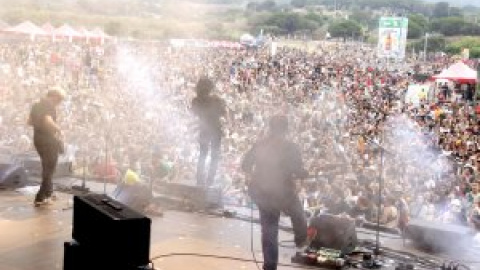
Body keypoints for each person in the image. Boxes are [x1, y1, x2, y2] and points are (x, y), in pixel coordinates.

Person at [242, 115, 308, 270]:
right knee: (298, 215)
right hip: (283, 192)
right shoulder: (291, 147)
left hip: (263, 193)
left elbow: (245, 165)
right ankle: (301, 242)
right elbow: (297, 170)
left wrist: (252, 177)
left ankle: (269, 267)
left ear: (270, 128)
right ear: (286, 129)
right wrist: (305, 173)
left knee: (269, 231)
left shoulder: (260, 144)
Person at [28, 87, 65, 207]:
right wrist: (59, 130)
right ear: (53, 96)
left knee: (47, 167)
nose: (59, 103)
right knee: (49, 168)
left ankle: (49, 192)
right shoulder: (49, 105)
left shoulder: (36, 105)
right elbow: (48, 121)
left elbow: (29, 121)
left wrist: (39, 125)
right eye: (59, 100)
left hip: (37, 139)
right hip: (48, 141)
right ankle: (41, 197)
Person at [191, 77, 226, 187]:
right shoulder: (216, 100)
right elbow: (223, 113)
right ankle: (210, 181)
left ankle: (199, 179)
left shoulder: (196, 100)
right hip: (215, 129)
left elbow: (195, 112)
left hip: (204, 129)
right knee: (214, 155)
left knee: (203, 154)